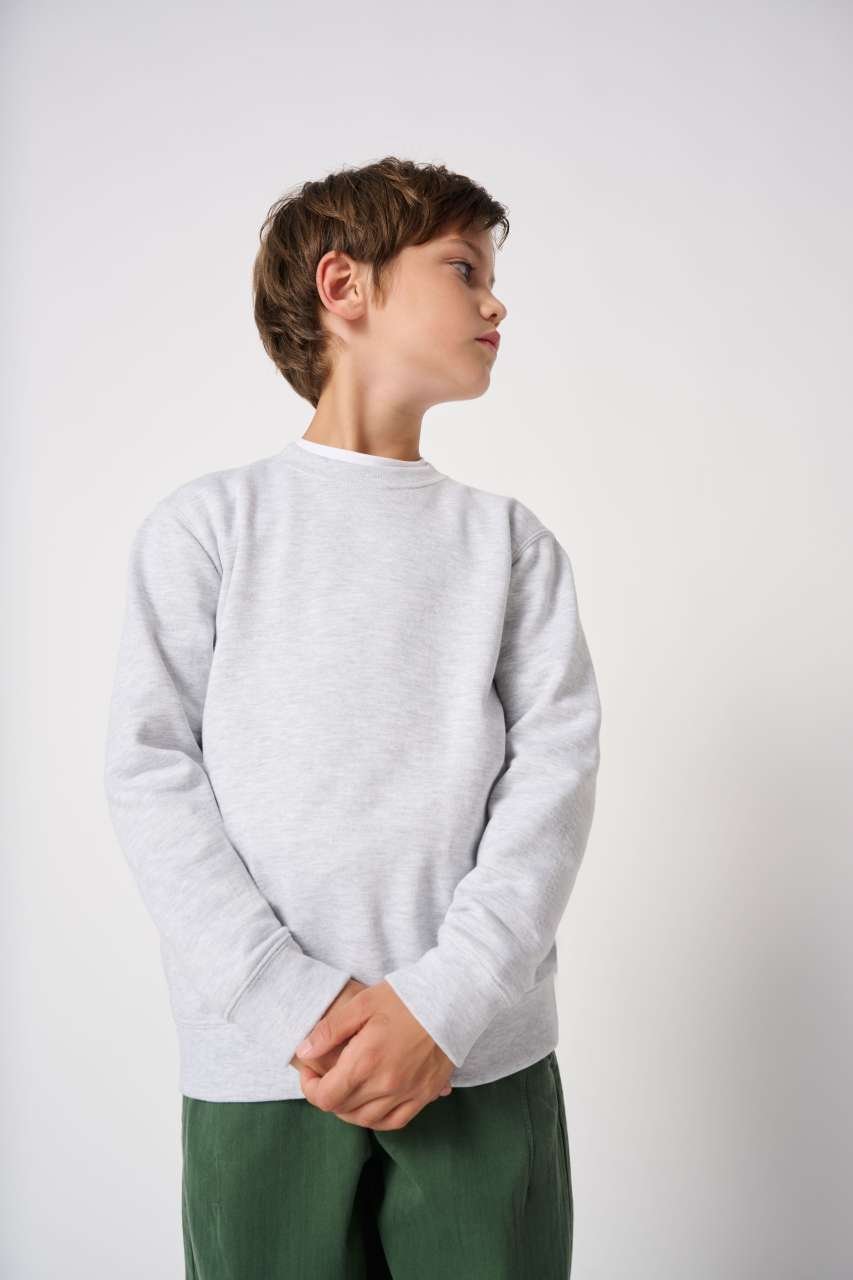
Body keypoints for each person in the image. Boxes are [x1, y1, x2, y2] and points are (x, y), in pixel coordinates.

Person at [104, 155, 602, 1278]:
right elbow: (151, 774)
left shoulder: (508, 545)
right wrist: (294, 1000)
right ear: (345, 285)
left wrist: (444, 1005)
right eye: (464, 268)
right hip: (266, 1065)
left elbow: (553, 784)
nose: (496, 303)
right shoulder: (209, 527)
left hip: (477, 1055)